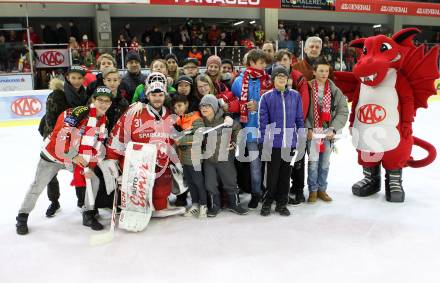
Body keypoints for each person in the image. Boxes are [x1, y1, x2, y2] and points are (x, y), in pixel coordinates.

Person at [16, 87, 114, 235]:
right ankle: (22, 216)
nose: (103, 104)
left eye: (107, 101)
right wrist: (74, 156)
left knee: (93, 180)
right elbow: (59, 138)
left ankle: (88, 214)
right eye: (100, 100)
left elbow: (96, 144)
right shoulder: (77, 113)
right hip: (53, 156)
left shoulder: (103, 120)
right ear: (93, 100)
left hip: (75, 159)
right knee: (38, 185)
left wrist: (90, 165)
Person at [106, 80, 182, 215]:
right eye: (153, 95)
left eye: (160, 95)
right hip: (136, 162)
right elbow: (119, 133)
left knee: (161, 189)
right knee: (137, 188)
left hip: (160, 162)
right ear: (147, 96)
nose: (157, 98)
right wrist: (112, 158)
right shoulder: (135, 112)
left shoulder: (170, 114)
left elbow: (176, 139)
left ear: (165, 96)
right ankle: (135, 206)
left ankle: (160, 206)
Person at [39, 66, 89, 217]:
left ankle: (81, 201)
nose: (76, 81)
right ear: (67, 77)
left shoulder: (85, 95)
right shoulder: (56, 95)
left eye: (79, 78)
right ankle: (54, 202)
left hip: (74, 139)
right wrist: (54, 143)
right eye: (73, 77)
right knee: (50, 173)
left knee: (79, 169)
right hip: (54, 138)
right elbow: (50, 122)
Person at [258, 66, 304, 216]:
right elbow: (263, 123)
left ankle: (282, 203)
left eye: (284, 76)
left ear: (288, 78)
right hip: (274, 144)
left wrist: (300, 137)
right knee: (272, 176)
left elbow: (299, 119)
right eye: (278, 76)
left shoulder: (295, 96)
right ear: (273, 79)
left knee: (285, 175)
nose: (282, 78)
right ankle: (268, 201)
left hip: (289, 143)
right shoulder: (267, 97)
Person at [231, 49, 272, 209]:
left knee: (268, 163)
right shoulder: (239, 81)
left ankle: (268, 191)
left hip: (267, 129)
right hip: (249, 128)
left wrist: (259, 104)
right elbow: (234, 104)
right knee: (255, 164)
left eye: (265, 62)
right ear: (252, 62)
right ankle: (256, 193)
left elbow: (273, 102)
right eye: (261, 62)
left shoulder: (268, 80)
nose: (264, 65)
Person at [305, 58, 348, 202]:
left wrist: (333, 129)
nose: (324, 74)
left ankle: (322, 189)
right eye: (321, 71)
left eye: (326, 71)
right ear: (314, 72)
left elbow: (343, 110)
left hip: (327, 133)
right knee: (313, 162)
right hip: (313, 131)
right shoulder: (308, 87)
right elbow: (302, 110)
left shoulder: (335, 90)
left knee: (324, 162)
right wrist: (308, 127)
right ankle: (313, 190)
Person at [199, 95, 248, 217]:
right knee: (210, 183)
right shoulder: (200, 121)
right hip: (208, 159)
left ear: (215, 107)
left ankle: (234, 203)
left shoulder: (225, 120)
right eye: (202, 106)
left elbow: (238, 129)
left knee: (230, 180)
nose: (204, 108)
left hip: (224, 156)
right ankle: (215, 205)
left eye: (207, 106)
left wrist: (234, 143)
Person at [274, 49, 310, 203]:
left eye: (286, 59)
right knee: (283, 162)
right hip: (279, 129)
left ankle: (299, 189)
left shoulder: (298, 77)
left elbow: (304, 100)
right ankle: (282, 189)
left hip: (294, 126)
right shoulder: (274, 77)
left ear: (291, 61)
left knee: (298, 159)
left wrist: (296, 122)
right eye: (280, 59)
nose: (283, 62)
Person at [172, 95, 207, 217]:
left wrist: (180, 140)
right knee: (191, 183)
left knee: (198, 181)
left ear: (186, 104)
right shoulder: (179, 120)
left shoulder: (196, 118)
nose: (178, 109)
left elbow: (200, 137)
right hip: (184, 158)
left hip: (195, 156)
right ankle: (195, 204)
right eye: (175, 107)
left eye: (180, 105)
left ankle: (204, 205)